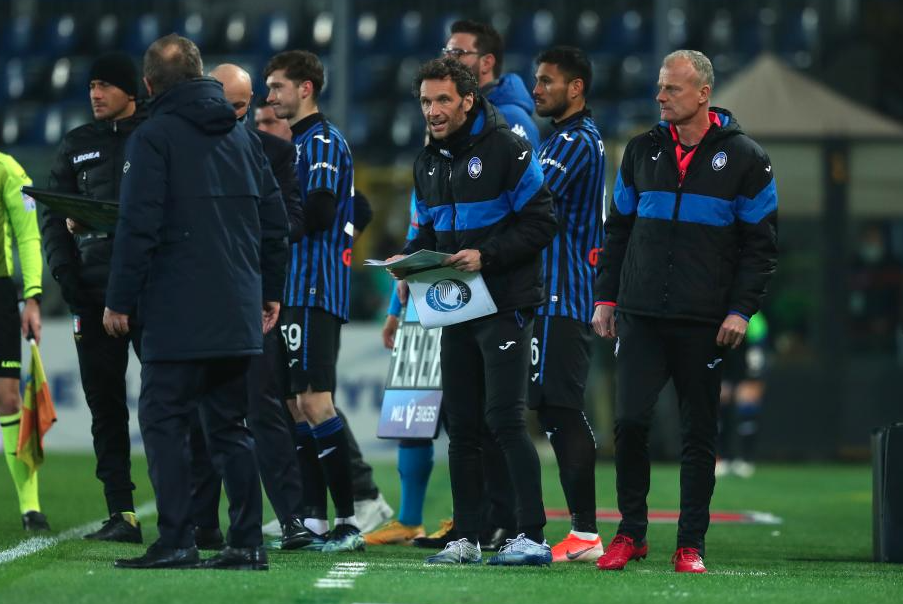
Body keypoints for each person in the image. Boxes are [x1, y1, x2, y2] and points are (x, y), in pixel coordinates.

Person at [106, 34, 288, 570]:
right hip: (236, 306)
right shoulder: (242, 137)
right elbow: (274, 225)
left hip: (175, 311)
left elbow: (138, 226)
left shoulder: (153, 137)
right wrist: (269, 291)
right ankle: (247, 542)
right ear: (202, 75)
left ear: (148, 85)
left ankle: (177, 539)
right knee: (231, 426)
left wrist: (118, 299)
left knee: (164, 420)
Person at [592, 50, 778, 573]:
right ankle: (631, 533)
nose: (660, 97)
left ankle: (690, 542)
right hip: (641, 315)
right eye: (659, 87)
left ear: (703, 94)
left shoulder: (746, 158)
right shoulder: (639, 150)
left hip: (705, 321)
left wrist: (741, 310)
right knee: (628, 423)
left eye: (671, 89)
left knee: (700, 434)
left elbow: (761, 246)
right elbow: (618, 231)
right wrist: (606, 297)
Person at [388, 57, 557, 566]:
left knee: (504, 420)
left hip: (504, 303)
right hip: (453, 304)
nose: (432, 111)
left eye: (442, 100)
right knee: (460, 426)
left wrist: (488, 255)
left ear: (467, 99)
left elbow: (543, 222)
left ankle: (532, 534)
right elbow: (427, 230)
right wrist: (407, 263)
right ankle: (469, 534)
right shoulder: (427, 162)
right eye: (425, 102)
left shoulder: (507, 147)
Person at [186, 63, 309, 551]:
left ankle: (291, 518)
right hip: (194, 298)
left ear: (242, 106)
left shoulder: (274, 152)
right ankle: (203, 523)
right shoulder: (182, 149)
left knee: (262, 409)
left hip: (247, 297)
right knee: (199, 414)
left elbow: (291, 221)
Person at [40, 51, 145, 543]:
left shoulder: (156, 136)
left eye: (105, 85)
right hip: (91, 294)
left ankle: (195, 514)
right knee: (105, 408)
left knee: (170, 404)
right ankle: (121, 513)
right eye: (91, 86)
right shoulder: (76, 144)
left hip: (152, 293)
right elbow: (51, 219)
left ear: (132, 90)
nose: (95, 94)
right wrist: (68, 279)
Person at [264, 50, 364, 553]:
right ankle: (314, 518)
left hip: (314, 287)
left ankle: (348, 519)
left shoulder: (322, 140)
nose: (270, 96)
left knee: (314, 401)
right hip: (291, 291)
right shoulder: (296, 143)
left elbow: (321, 213)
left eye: (277, 86)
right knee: (292, 406)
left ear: (305, 88)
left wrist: (266, 226)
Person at [530, 46, 606, 563]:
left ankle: (584, 532)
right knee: (546, 409)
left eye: (547, 81)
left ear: (575, 87)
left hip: (563, 295)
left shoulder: (577, 141)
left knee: (560, 409)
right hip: (547, 296)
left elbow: (529, 199)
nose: (537, 89)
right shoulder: (561, 138)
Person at [0, 153, 46, 531]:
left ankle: (30, 506)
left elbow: (27, 232)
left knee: (8, 397)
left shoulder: (7, 168)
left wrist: (32, 295)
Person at [443, 19, 540, 148]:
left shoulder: (510, 119)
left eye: (458, 53)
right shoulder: (457, 114)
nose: (446, 61)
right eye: (446, 53)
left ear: (486, 63)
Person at [716, 311, 769, 479]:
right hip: (724, 357)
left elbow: (758, 348)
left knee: (747, 405)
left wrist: (754, 376)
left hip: (746, 362)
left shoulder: (754, 318)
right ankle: (721, 458)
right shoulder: (715, 308)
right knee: (720, 405)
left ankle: (746, 459)